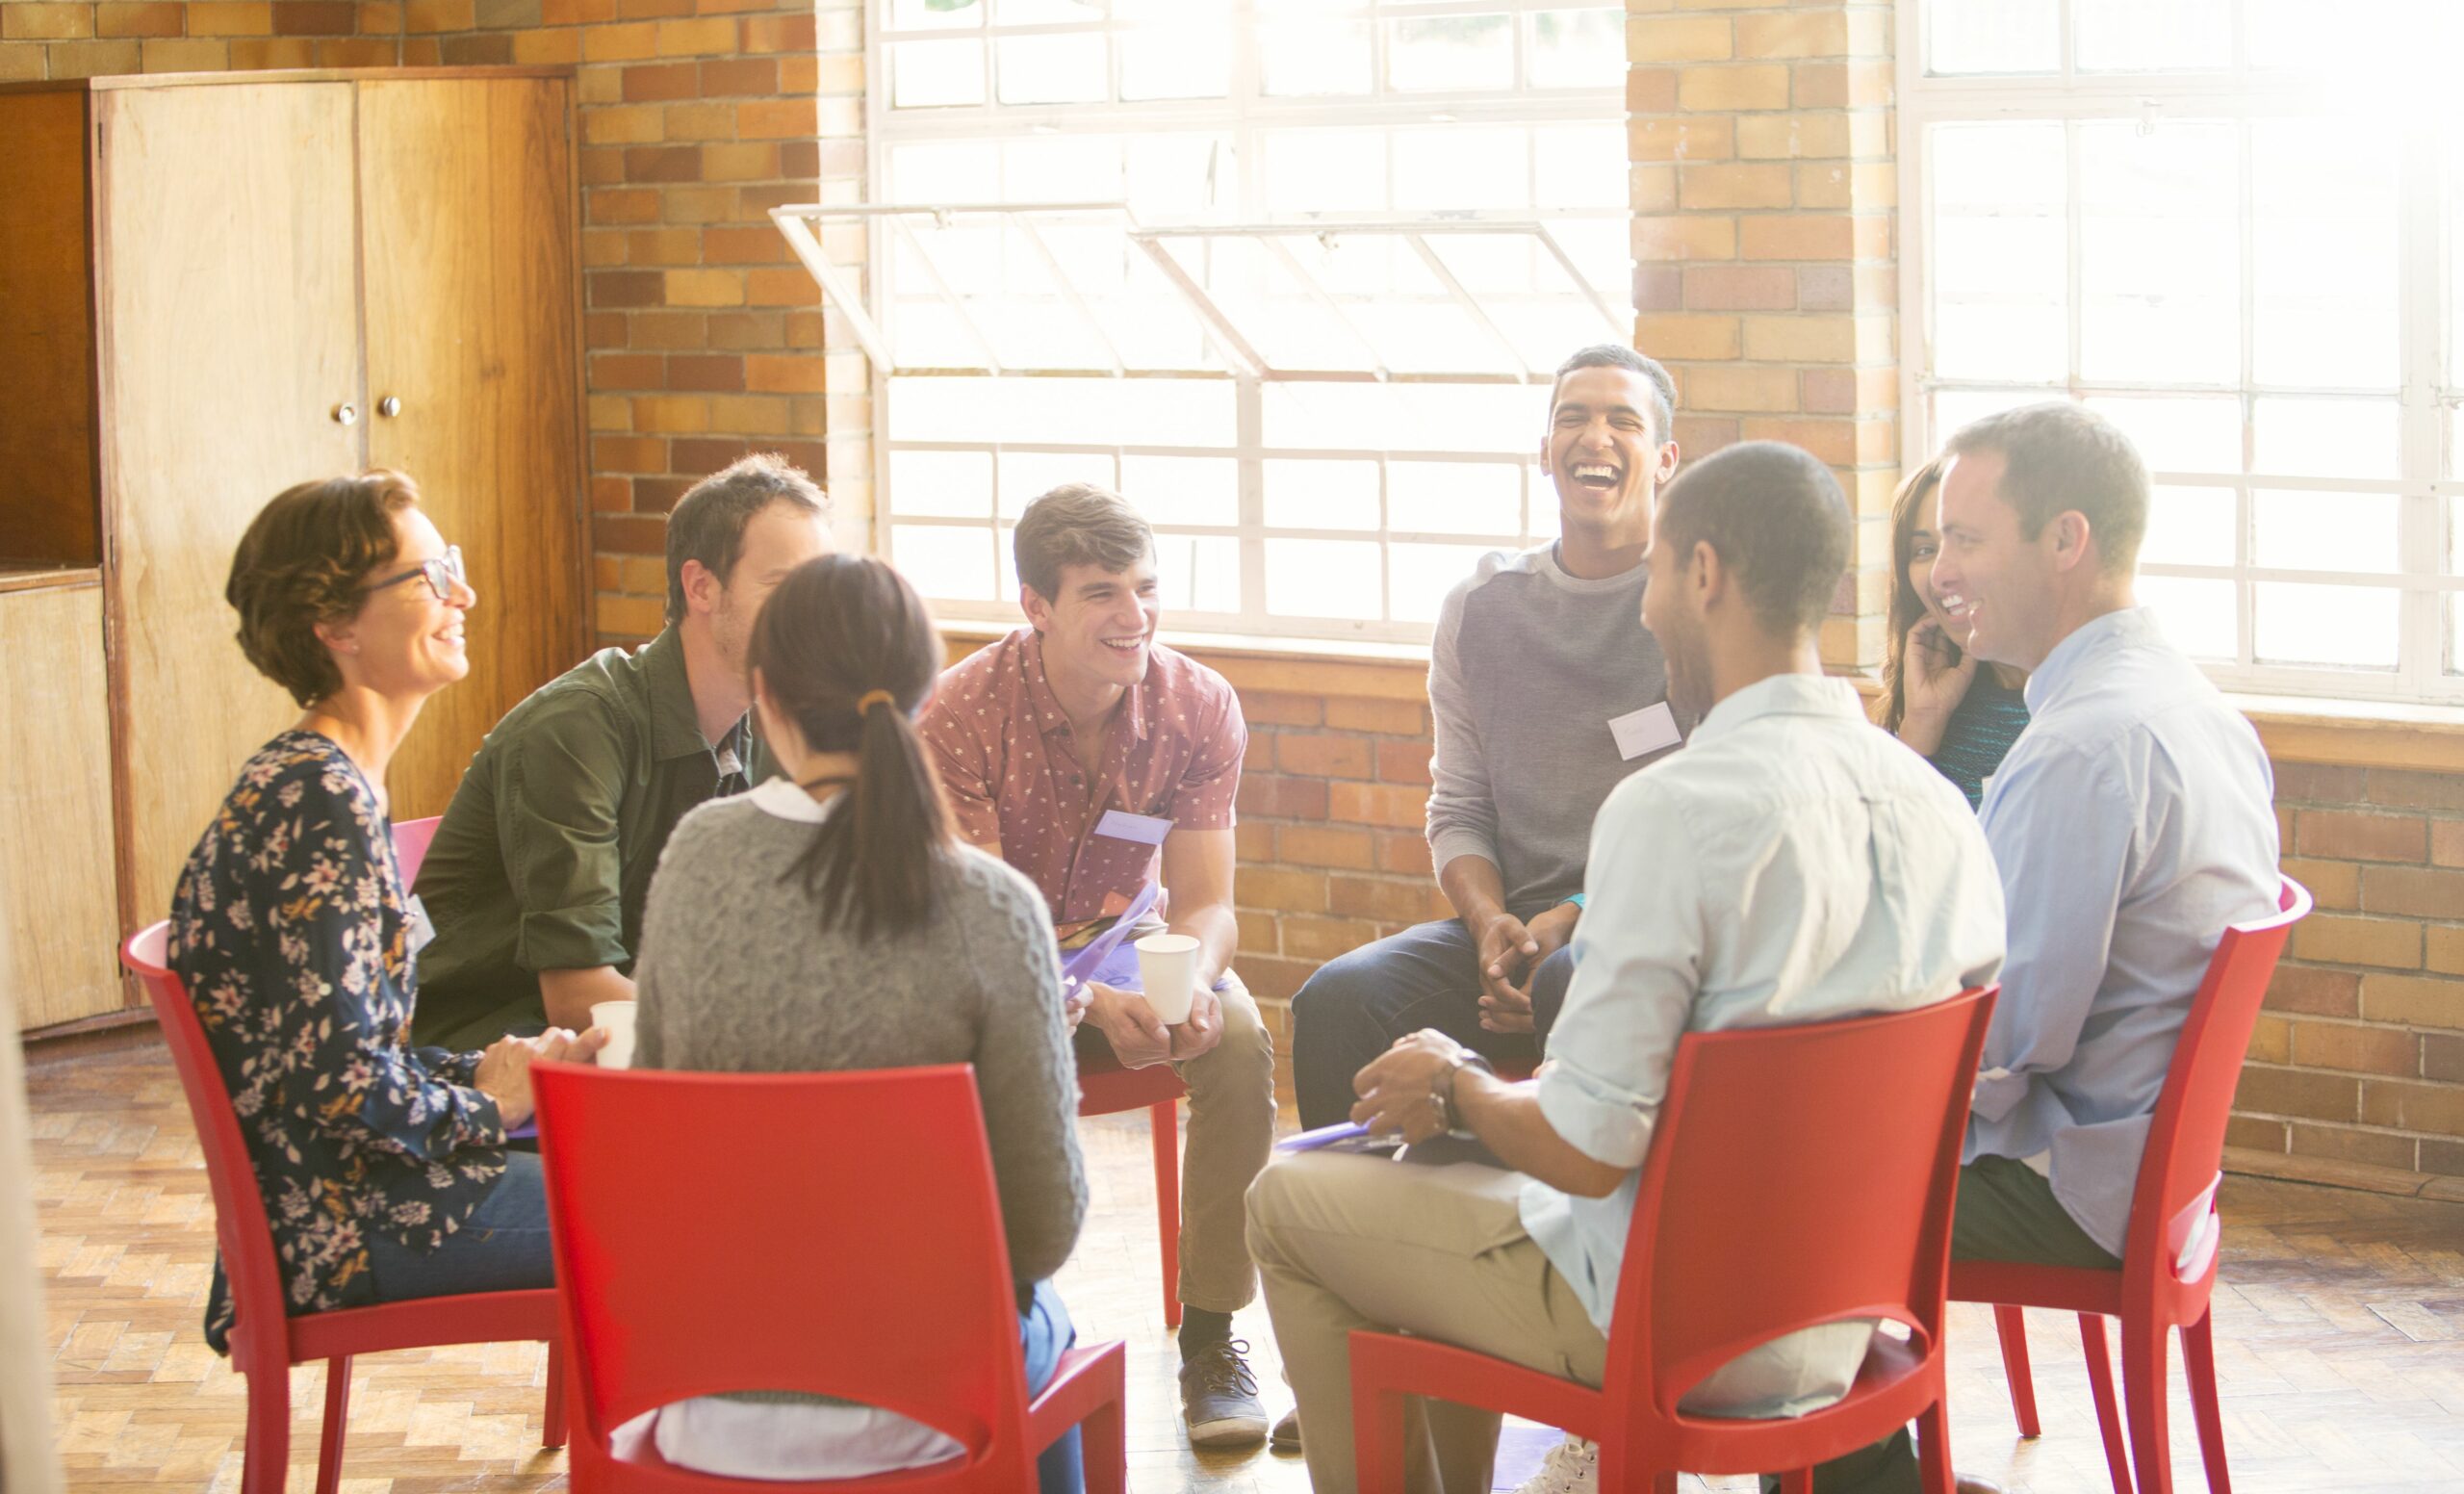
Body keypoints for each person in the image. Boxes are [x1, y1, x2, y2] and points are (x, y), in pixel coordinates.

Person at [1245, 442, 2007, 1494]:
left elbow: (1589, 1150)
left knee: (1288, 1200)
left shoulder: (1672, 810)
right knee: (1446, 1176)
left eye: (1652, 572)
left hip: (1667, 1324)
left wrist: (1454, 1080)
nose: (1646, 608)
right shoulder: (1941, 807)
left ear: (1702, 574)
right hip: (1846, 1318)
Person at [1809, 402, 2282, 1493]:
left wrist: (1828, 1057)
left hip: (2072, 1181)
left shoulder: (2080, 747)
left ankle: (1869, 1481)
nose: (1940, 572)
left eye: (1966, 539)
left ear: (2064, 542)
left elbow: (1996, 1049)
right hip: (2153, 1172)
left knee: (1772, 1193)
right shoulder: (2191, 705)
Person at [629, 555, 1087, 1491]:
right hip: (926, 1408)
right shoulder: (993, 907)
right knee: (1055, 1322)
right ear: (925, 694)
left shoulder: (695, 858)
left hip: (708, 1398)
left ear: (764, 695)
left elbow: (656, 1140)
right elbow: (1040, 1232)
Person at [167, 473, 607, 1356]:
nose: (463, 592)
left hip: (360, 1192)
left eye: (453, 565)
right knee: (674, 1218)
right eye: (427, 576)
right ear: (335, 626)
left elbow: (351, 1054)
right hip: (348, 1223)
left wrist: (499, 1069)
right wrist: (488, 1106)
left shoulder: (329, 782)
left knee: (643, 1167)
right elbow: (339, 1085)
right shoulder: (316, 800)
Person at [917, 483, 1279, 1449]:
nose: (1137, 617)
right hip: (996, 965)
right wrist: (1085, 999)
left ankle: (1211, 1338)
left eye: (1147, 587)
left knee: (1241, 1043)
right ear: (1034, 605)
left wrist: (1195, 981)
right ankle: (998, 1332)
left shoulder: (1199, 704)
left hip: (1138, 946)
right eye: (1102, 594)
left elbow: (1207, 901)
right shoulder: (959, 713)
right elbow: (982, 931)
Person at [1289, 344, 1691, 1135]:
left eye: (1623, 421)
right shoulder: (1480, 608)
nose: (1594, 437)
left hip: (1648, 929)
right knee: (1337, 1000)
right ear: (1545, 453)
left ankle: (1563, 1243)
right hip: (1511, 929)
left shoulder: (1699, 604)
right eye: (1572, 418)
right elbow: (1460, 807)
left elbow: (1707, 826)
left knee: (1569, 981)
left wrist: (1574, 915)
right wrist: (1489, 928)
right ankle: (1362, 1237)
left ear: (1666, 458)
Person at [410, 454, 832, 1050]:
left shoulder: (761, 727)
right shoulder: (576, 730)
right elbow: (579, 995)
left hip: (620, 1046)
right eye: (785, 587)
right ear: (701, 587)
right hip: (484, 1053)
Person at [1879, 457, 2029, 808]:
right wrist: (1922, 722)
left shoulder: (2064, 701)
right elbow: (1883, 845)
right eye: (1924, 551)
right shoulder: (1937, 693)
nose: (1940, 573)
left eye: (1965, 542)